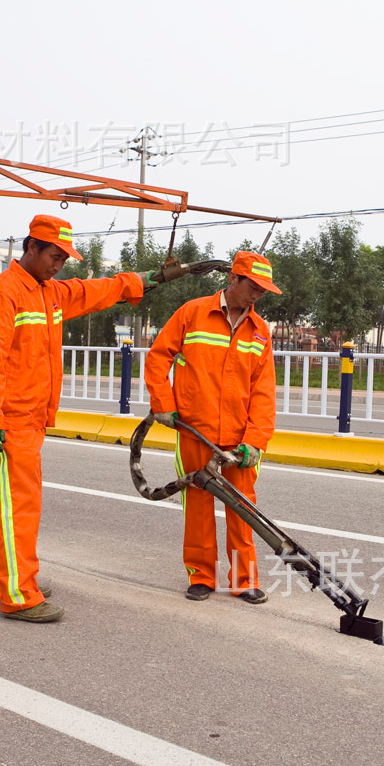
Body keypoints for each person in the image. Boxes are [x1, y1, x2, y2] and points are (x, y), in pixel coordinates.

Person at [0, 214, 169, 623]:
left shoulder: (49, 293)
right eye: (54, 256)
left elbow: (94, 291)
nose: (59, 264)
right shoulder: (2, 294)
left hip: (31, 419)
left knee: (11, 507)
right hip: (10, 420)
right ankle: (20, 596)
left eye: (64, 258)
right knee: (16, 510)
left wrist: (141, 280)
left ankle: (6, 583)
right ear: (31, 249)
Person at [144, 251, 280, 604]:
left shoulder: (260, 331)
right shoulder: (193, 313)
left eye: (263, 291)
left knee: (242, 509)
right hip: (195, 430)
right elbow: (159, 356)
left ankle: (244, 579)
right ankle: (201, 576)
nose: (257, 296)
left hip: (239, 439)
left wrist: (255, 441)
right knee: (199, 506)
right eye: (254, 287)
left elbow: (264, 392)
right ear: (234, 279)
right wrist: (164, 405)